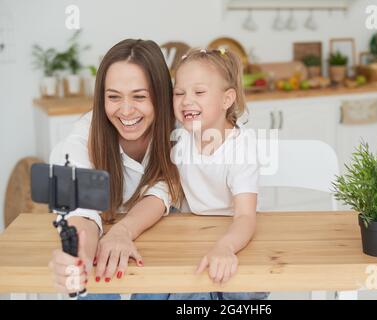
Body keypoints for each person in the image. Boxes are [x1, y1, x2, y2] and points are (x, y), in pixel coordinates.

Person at [48, 39, 182, 300]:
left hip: (160, 232)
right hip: (104, 232)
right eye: (113, 97)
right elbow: (81, 211)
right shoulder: (81, 137)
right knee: (94, 287)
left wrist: (123, 231)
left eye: (140, 96)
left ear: (161, 95)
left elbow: (166, 188)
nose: (126, 110)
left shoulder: (180, 130)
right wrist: (80, 255)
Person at [168, 48, 269, 300]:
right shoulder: (180, 141)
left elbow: (245, 216)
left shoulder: (241, 148)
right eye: (179, 93)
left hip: (238, 238)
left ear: (227, 100)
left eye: (199, 92)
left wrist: (224, 247)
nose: (186, 100)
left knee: (241, 292)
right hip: (198, 237)